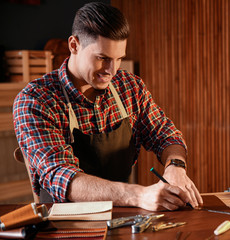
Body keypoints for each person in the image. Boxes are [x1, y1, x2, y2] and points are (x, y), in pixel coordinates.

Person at [13, 2, 203, 211]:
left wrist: (175, 166)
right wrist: (139, 195)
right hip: (64, 224)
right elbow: (61, 175)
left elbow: (165, 135)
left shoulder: (129, 87)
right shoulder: (36, 100)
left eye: (119, 58)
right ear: (74, 45)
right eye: (103, 59)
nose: (112, 71)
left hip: (123, 217)